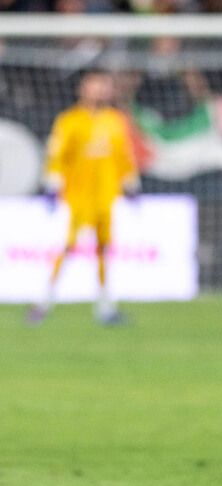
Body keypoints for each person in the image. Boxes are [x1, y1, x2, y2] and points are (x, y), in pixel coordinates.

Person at [28, 70, 140, 326]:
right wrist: (52, 185)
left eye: (103, 86)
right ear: (83, 89)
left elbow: (124, 156)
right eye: (94, 86)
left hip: (106, 196)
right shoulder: (70, 121)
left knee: (104, 249)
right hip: (76, 198)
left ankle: (105, 307)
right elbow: (57, 155)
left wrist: (131, 184)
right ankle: (43, 303)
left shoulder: (115, 120)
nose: (99, 91)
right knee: (65, 247)